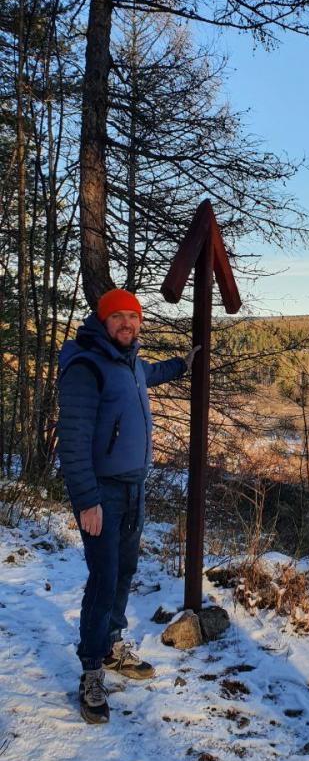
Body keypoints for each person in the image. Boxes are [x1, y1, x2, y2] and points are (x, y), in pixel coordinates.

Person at [57, 288, 199, 725]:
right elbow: (74, 441)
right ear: (103, 322)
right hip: (102, 492)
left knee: (125, 572)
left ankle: (113, 646)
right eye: (117, 317)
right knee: (103, 579)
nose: (127, 324)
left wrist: (184, 366)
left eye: (133, 318)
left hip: (134, 488)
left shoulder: (129, 362)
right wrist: (87, 501)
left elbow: (149, 373)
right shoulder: (86, 365)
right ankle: (91, 672)